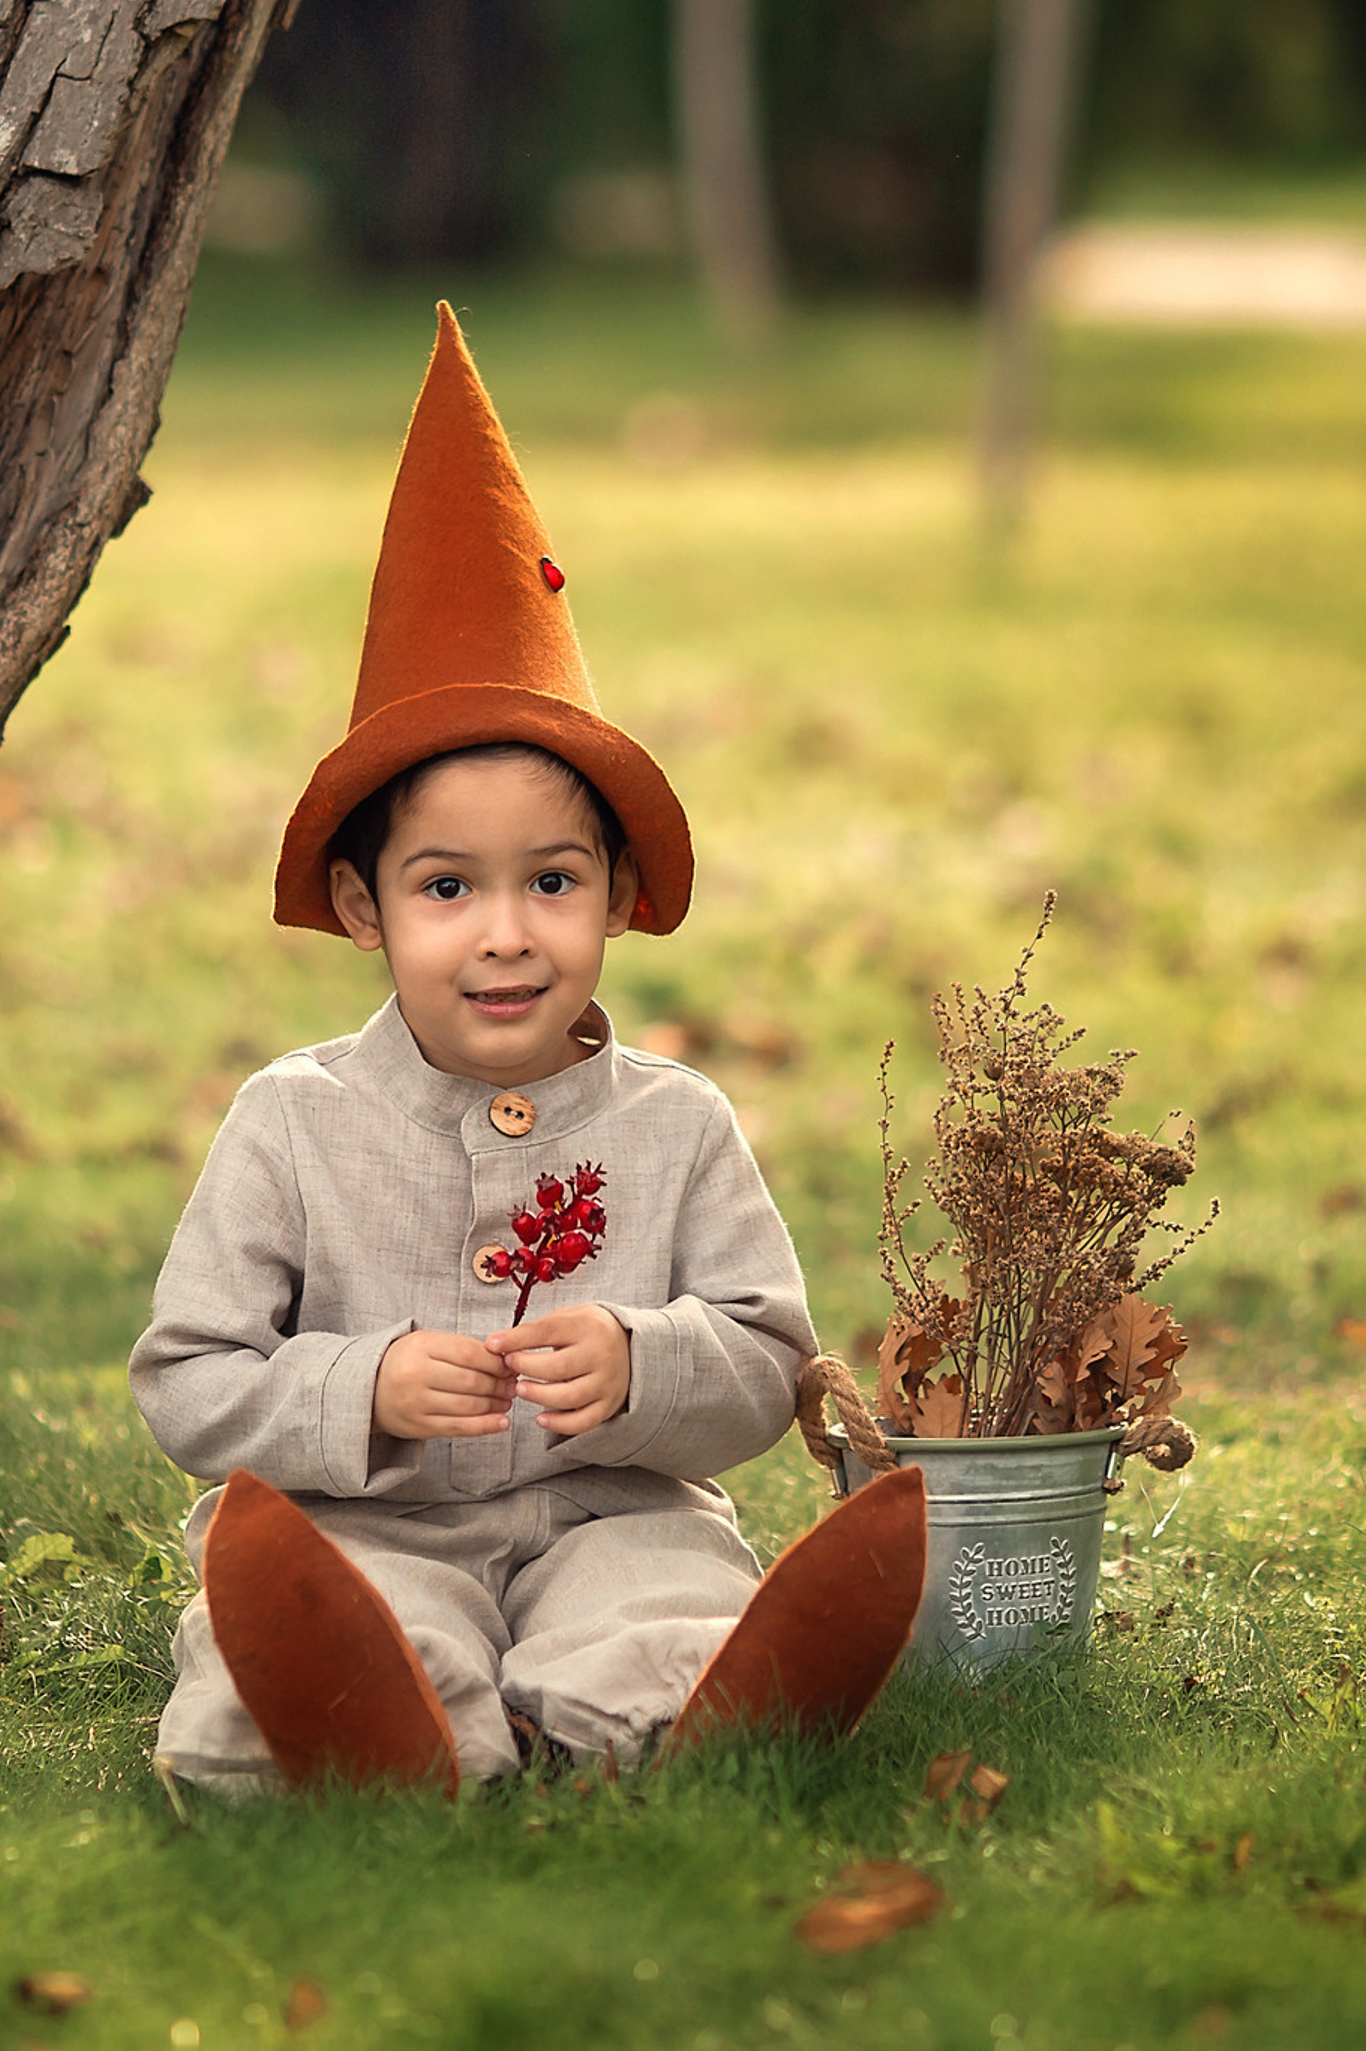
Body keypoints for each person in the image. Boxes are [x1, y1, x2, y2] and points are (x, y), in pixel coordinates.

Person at [130, 305, 925, 1797]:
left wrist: (641, 1362)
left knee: (659, 1612)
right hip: (370, 1519)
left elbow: (764, 1364)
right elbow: (190, 1378)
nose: (506, 934)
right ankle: (364, 1731)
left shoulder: (676, 1124)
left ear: (620, 897)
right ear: (365, 906)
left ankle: (683, 1711)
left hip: (615, 1518)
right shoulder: (294, 1122)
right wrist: (358, 1388)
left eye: (552, 882)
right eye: (449, 888)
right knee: (350, 1625)